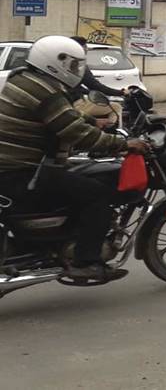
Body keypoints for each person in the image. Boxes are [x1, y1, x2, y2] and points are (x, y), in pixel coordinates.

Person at [0, 36, 149, 282]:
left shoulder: (25, 79)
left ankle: (63, 242)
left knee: (77, 176)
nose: (76, 71)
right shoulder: (45, 91)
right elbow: (74, 132)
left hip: (15, 165)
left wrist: (94, 123)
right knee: (97, 195)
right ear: (53, 63)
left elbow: (64, 118)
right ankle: (87, 262)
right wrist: (122, 144)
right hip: (21, 171)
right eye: (72, 65)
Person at [68, 35, 127, 125]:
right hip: (75, 104)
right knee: (117, 107)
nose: (86, 49)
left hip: (65, 102)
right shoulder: (79, 65)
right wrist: (121, 92)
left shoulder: (62, 62)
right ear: (78, 48)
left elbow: (74, 86)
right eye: (85, 47)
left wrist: (88, 92)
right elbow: (96, 86)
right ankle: (112, 130)